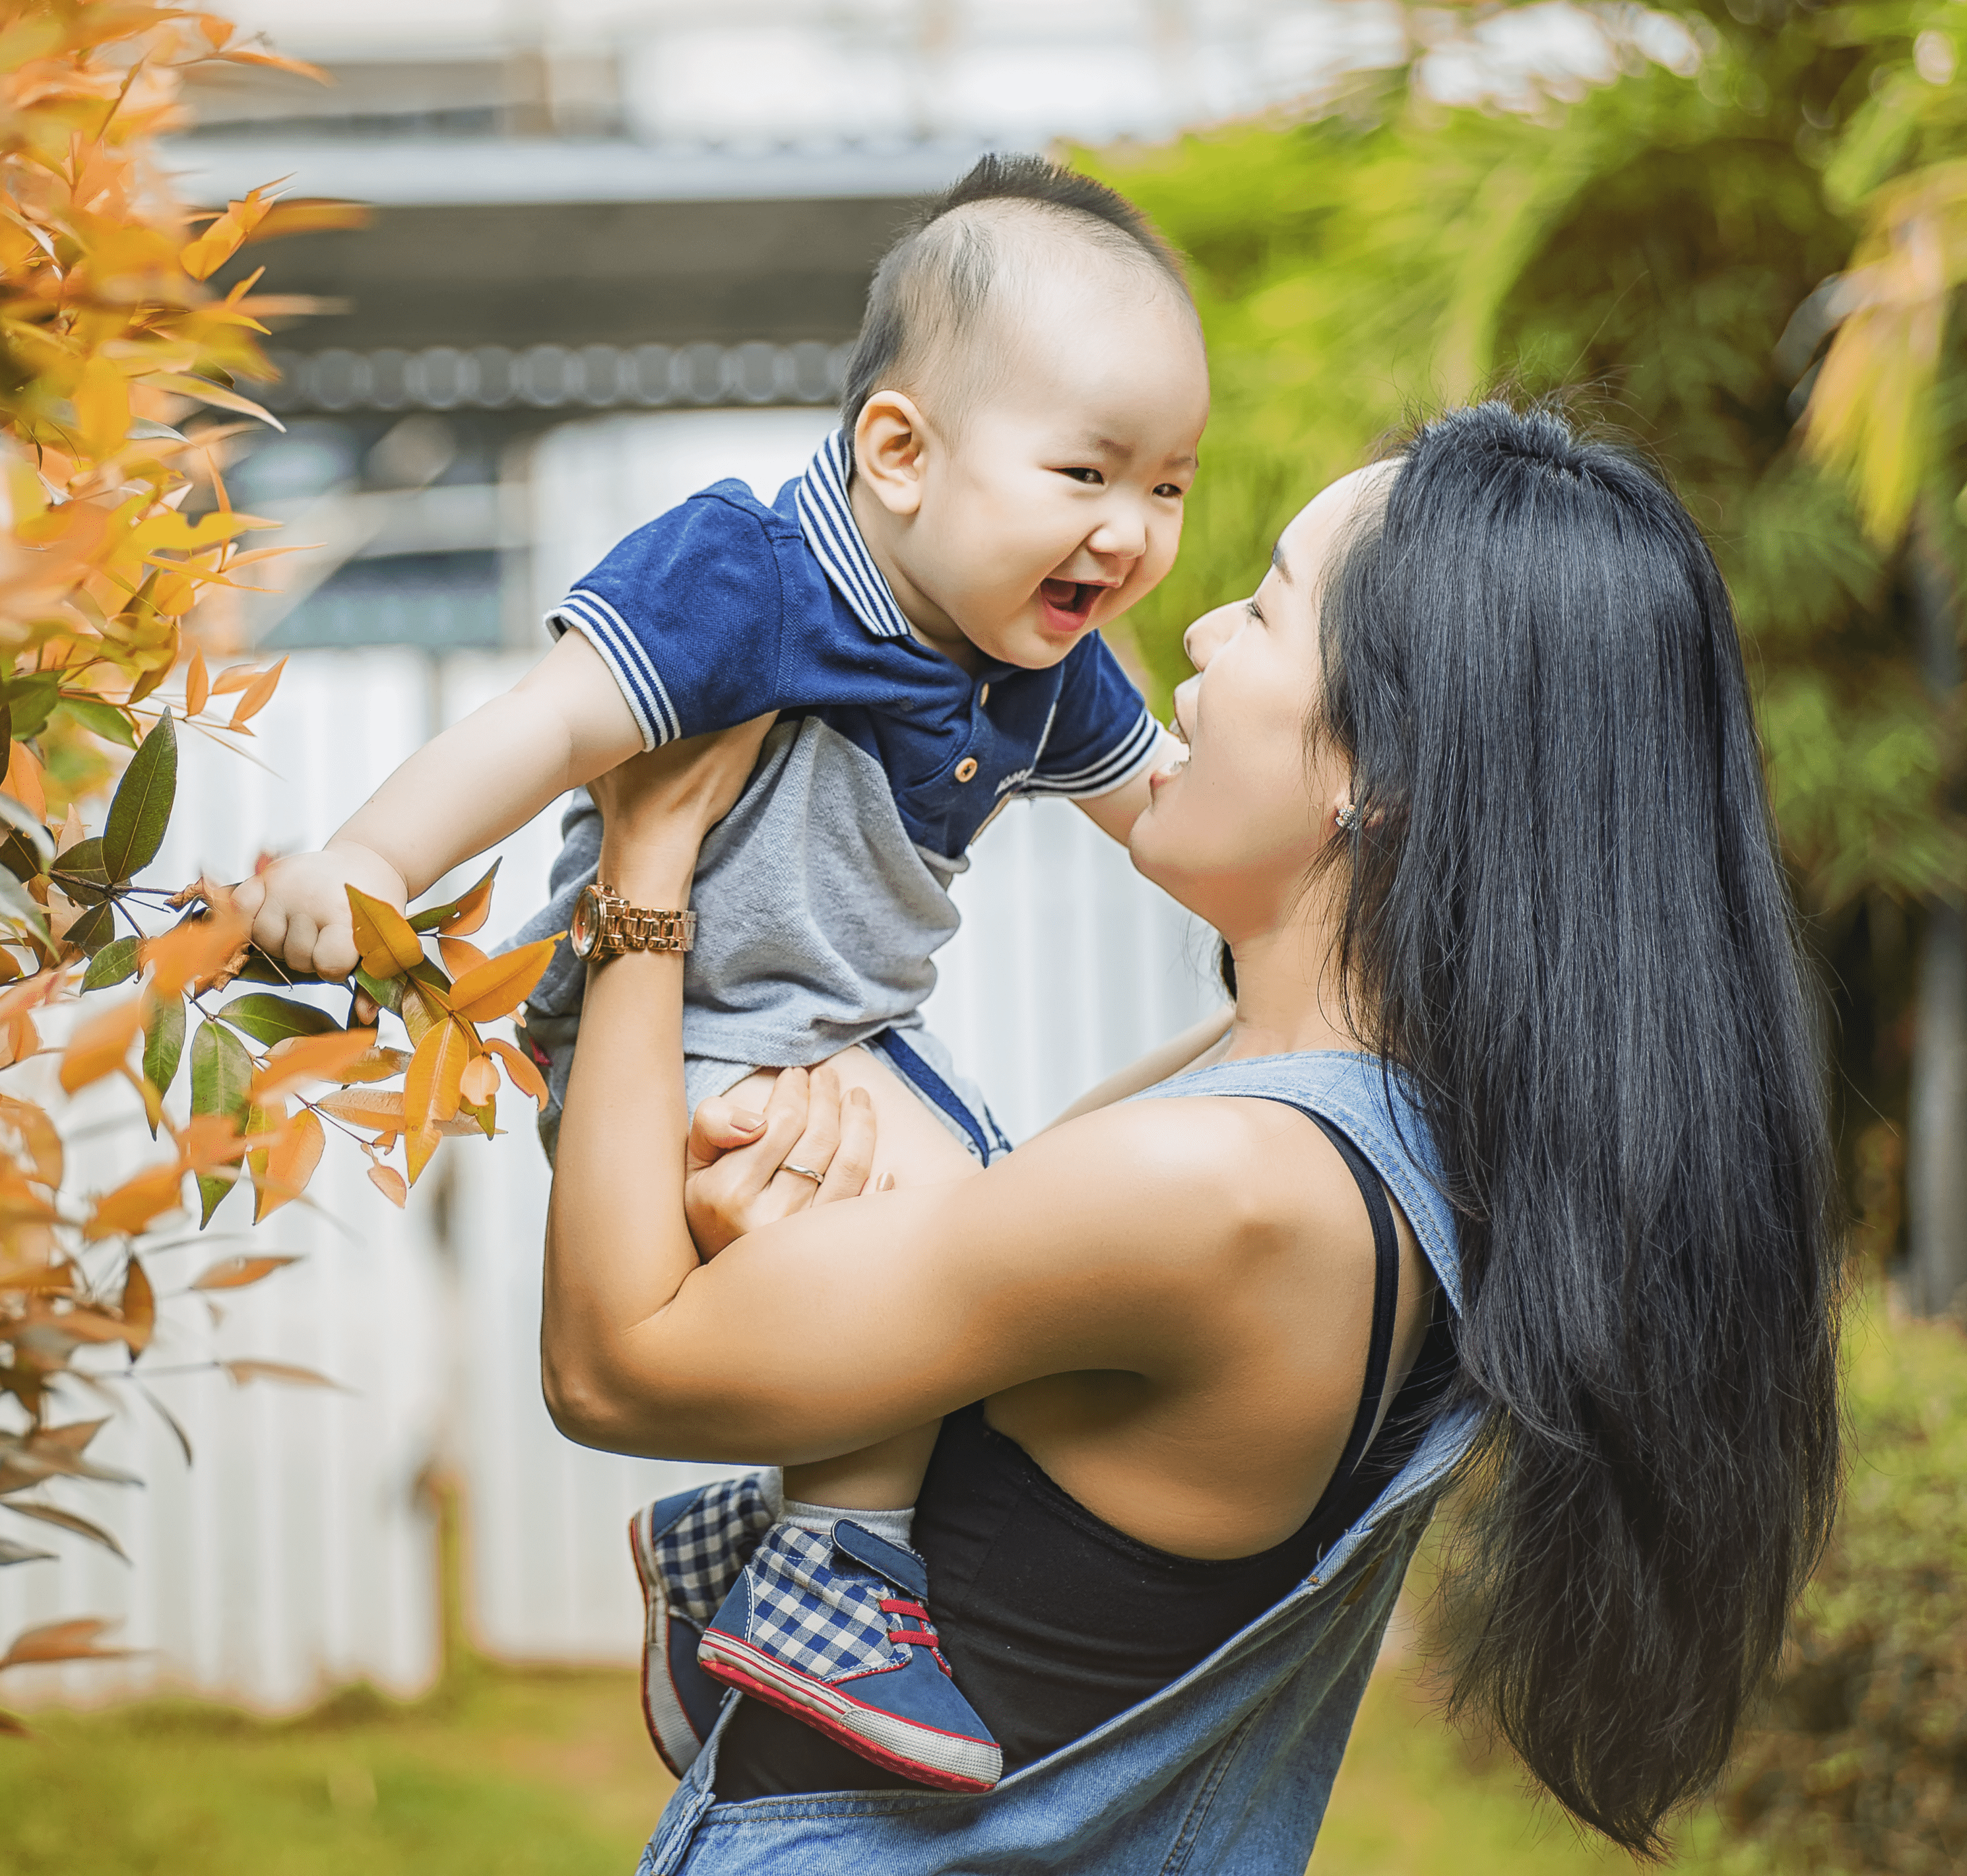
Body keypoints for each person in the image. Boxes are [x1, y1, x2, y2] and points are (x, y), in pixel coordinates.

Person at [542, 401, 1844, 1874]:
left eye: (1268, 609)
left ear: (1376, 770)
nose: (1201, 636)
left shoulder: (1229, 1192)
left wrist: (646, 858)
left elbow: (612, 1362)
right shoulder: (1377, 1131)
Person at [231, 154, 1208, 1783]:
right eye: (1087, 472)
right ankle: (826, 1580)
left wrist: (1331, 846)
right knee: (926, 1244)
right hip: (666, 1034)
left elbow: (1170, 814)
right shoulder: (751, 575)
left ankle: (727, 1568)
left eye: (1168, 486)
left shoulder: (1034, 661)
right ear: (897, 452)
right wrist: (366, 863)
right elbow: (541, 729)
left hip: (851, 1033)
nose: (1130, 532)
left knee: (995, 1218)